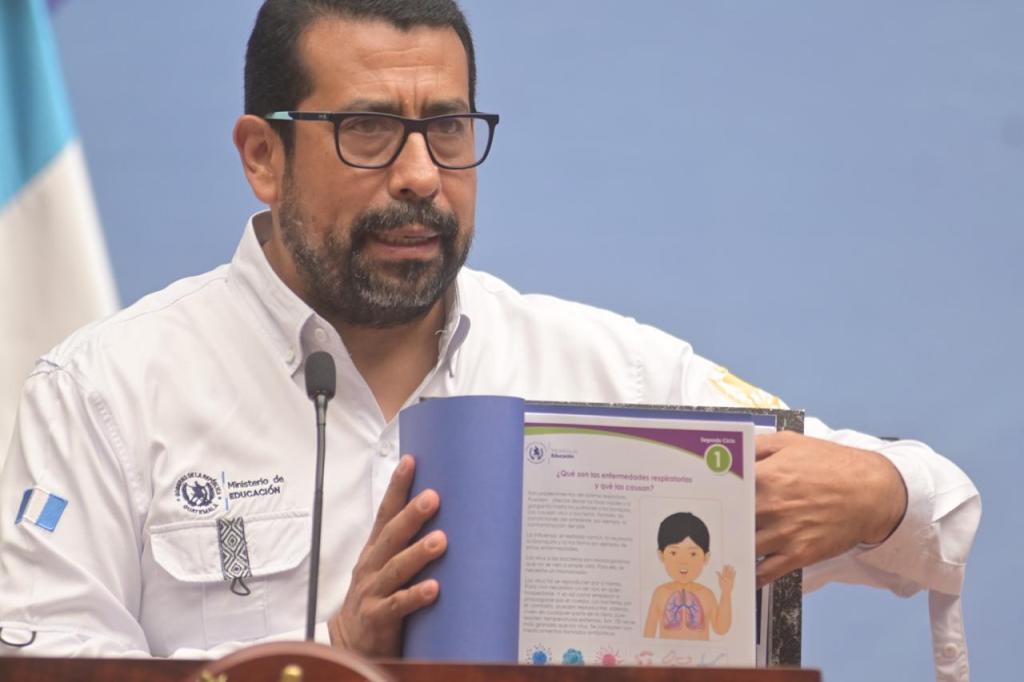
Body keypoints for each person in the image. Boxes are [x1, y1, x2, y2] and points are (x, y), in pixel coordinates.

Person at [0, 1, 978, 679]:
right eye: (369, 130)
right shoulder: (106, 392)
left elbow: (935, 507)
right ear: (264, 155)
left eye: (449, 128)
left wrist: (877, 492)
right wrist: (331, 662)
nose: (422, 174)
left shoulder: (604, 372)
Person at [643, 512, 734, 641]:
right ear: (661, 555)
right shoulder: (660, 593)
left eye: (693, 554)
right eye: (673, 553)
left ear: (706, 557)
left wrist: (726, 593)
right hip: (667, 653)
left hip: (701, 654)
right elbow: (649, 632)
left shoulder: (707, 595)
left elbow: (721, 629)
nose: (683, 561)